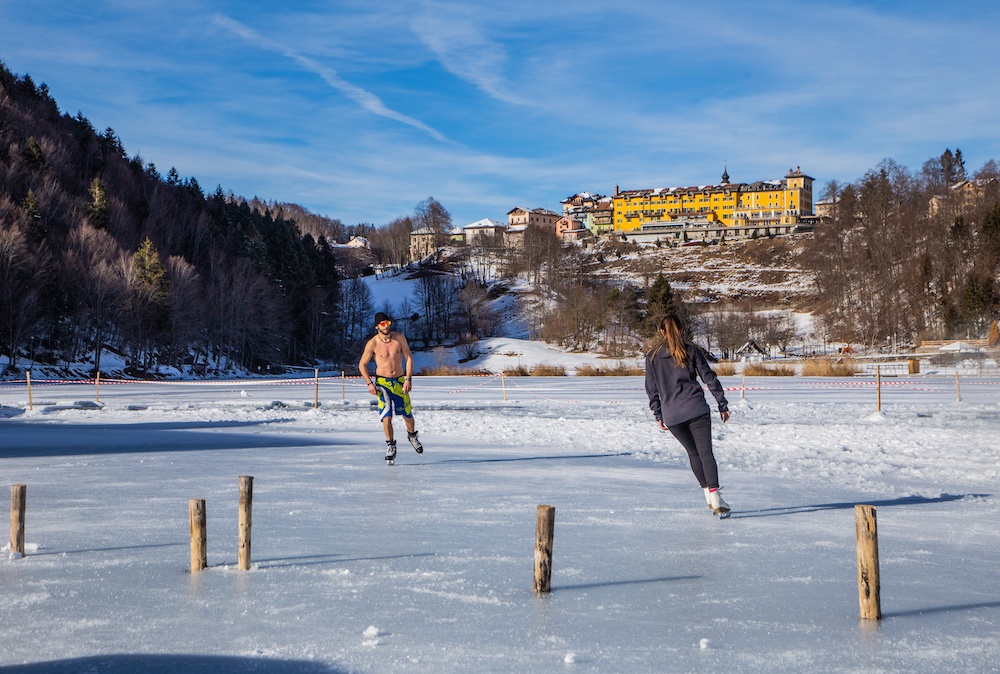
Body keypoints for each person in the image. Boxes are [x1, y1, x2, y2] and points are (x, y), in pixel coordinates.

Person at [645, 315, 731, 516]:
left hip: (672, 416)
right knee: (705, 453)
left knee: (693, 454)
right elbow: (709, 378)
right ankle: (715, 495)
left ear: (662, 332)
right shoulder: (692, 351)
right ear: (682, 330)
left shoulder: (652, 357)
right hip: (696, 410)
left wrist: (658, 414)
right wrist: (722, 403)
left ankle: (708, 496)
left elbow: (651, 389)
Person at [359, 312, 423, 463]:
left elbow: (408, 358)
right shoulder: (373, 343)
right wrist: (369, 383)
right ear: (376, 327)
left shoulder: (399, 338)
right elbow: (362, 364)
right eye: (382, 324)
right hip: (383, 384)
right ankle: (390, 445)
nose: (386, 326)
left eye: (388, 323)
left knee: (407, 414)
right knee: (386, 416)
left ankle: (412, 435)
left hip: (400, 381)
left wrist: (408, 379)